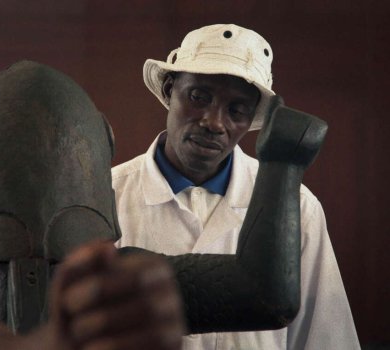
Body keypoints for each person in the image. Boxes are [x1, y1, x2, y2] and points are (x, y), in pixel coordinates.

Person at [112, 23, 360, 349]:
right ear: (170, 89)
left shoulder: (296, 207)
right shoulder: (108, 196)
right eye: (199, 96)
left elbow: (326, 338)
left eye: (236, 110)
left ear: (251, 120)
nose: (214, 122)